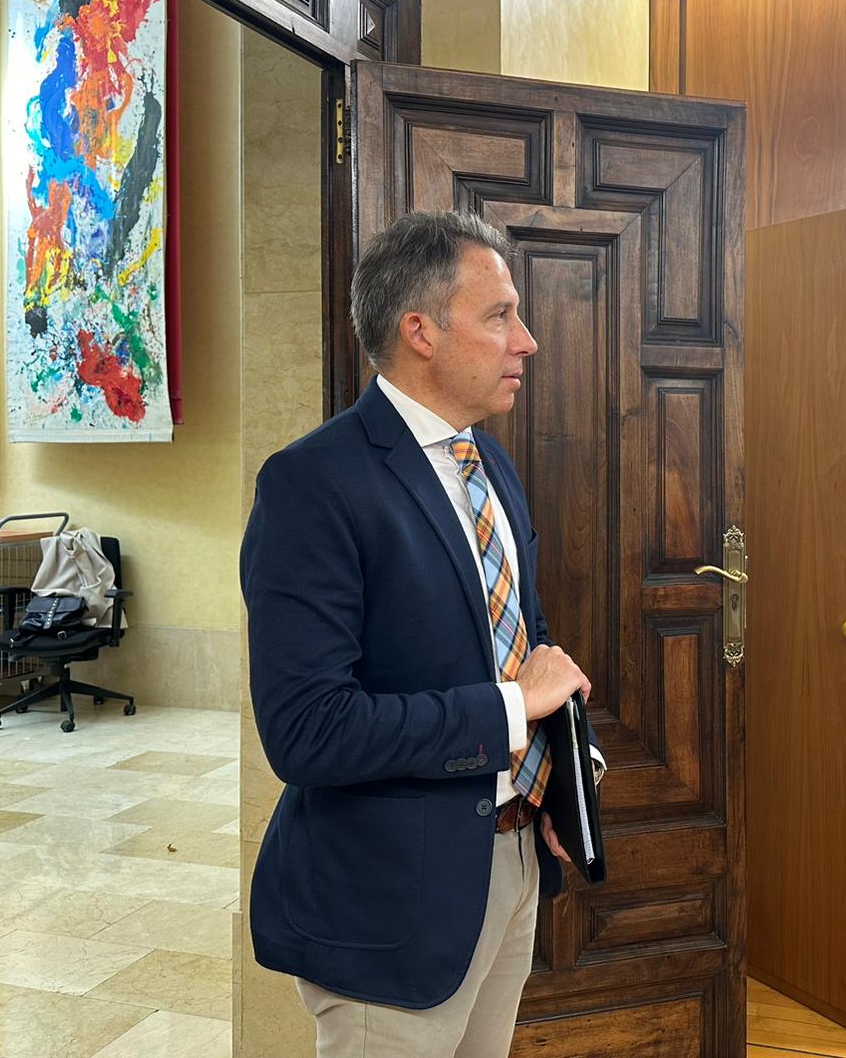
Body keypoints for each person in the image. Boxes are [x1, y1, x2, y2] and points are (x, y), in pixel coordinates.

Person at [242, 209, 601, 1057]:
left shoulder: (488, 461)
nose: (529, 341)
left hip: (512, 869)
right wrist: (513, 710)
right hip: (389, 906)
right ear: (420, 332)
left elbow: (521, 639)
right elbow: (306, 731)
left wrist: (558, 764)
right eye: (500, 315)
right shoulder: (311, 485)